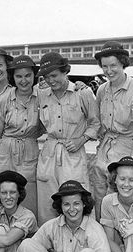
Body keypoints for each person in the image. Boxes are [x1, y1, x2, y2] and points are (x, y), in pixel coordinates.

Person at [35, 52, 100, 224]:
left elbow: (95, 124)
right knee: (47, 203)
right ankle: (49, 244)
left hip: (73, 153)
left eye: (54, 75)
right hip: (49, 153)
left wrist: (81, 140)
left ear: (65, 72)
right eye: (47, 77)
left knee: (76, 201)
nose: (51, 80)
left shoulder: (82, 93)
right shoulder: (41, 95)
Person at [90, 41, 133, 220]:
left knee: (123, 194)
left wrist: (132, 159)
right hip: (105, 149)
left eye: (113, 65)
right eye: (105, 66)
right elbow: (99, 123)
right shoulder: (102, 90)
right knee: (100, 192)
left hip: (128, 147)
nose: (109, 71)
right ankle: (103, 232)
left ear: (123, 63)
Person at [0, 55, 43, 217]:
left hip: (29, 150)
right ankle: (1, 234)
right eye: (18, 76)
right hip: (4, 152)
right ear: (13, 77)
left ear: (34, 76)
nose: (23, 80)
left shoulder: (42, 97)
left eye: (27, 76)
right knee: (3, 196)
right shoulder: (5, 99)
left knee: (28, 196)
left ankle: (27, 237)